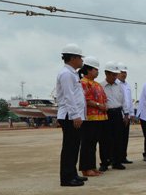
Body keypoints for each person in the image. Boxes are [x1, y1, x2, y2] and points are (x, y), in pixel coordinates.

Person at [56, 43, 87, 187]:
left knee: (74, 147)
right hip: (70, 116)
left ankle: (72, 173)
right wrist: (75, 115)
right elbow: (69, 96)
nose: (82, 61)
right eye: (80, 58)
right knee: (69, 147)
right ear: (73, 58)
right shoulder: (66, 74)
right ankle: (67, 178)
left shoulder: (72, 73)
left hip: (74, 116)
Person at [78, 56, 109, 177]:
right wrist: (98, 105)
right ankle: (86, 168)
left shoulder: (97, 84)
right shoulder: (83, 83)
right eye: (95, 69)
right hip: (89, 119)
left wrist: (104, 105)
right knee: (87, 144)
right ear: (88, 70)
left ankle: (92, 166)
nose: (97, 71)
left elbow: (104, 98)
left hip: (100, 118)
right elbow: (85, 99)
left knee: (93, 144)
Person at [99, 61, 127, 171]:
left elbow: (123, 100)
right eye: (113, 74)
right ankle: (105, 162)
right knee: (105, 139)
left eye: (116, 74)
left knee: (118, 138)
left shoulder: (119, 86)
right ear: (107, 73)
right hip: (106, 114)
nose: (115, 77)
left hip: (118, 113)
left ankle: (117, 161)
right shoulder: (100, 86)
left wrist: (126, 114)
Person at [117, 62, 134, 165]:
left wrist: (131, 114)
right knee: (118, 138)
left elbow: (129, 101)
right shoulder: (116, 84)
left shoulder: (127, 85)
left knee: (125, 138)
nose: (124, 74)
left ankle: (123, 156)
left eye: (125, 72)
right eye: (122, 72)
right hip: (120, 115)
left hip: (127, 116)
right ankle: (117, 157)